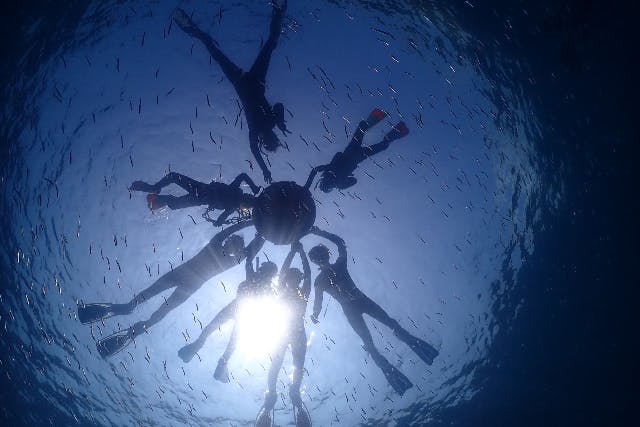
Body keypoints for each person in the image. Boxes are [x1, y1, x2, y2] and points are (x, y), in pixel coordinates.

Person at [81, 220, 261, 358]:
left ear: (235, 248)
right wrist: (254, 224)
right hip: (186, 281)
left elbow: (248, 249)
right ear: (232, 245)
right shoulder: (222, 253)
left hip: (185, 281)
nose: (232, 246)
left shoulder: (226, 257)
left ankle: (132, 330)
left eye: (235, 246)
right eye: (233, 243)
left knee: (160, 312)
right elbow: (234, 237)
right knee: (148, 300)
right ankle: (128, 312)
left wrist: (258, 229)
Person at [307, 226, 438, 396]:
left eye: (319, 257)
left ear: (319, 259)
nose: (321, 259)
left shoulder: (322, 278)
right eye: (319, 257)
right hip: (359, 303)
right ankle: (403, 351)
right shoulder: (332, 271)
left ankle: (390, 365)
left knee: (376, 335)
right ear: (323, 257)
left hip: (354, 306)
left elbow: (318, 301)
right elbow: (340, 243)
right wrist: (320, 233)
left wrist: (315, 314)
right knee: (381, 331)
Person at [173, 1, 290, 183]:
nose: (270, 137)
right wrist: (265, 169)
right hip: (245, 82)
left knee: (270, 43)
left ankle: (280, 9)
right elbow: (256, 151)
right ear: (266, 141)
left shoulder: (267, 125)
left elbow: (278, 108)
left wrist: (280, 122)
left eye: (271, 139)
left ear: (270, 139)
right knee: (218, 53)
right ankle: (193, 30)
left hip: (250, 82)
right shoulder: (258, 131)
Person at [177, 235, 277, 381]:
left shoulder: (254, 276)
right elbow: (269, 304)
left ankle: (198, 345)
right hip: (248, 313)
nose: (260, 268)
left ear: (266, 271)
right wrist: (260, 239)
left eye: (262, 268)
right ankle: (223, 360)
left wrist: (259, 238)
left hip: (238, 307)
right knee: (233, 340)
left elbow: (248, 259)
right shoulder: (268, 286)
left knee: (212, 327)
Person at [255, 242, 312, 427]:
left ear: (299, 279)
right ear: (286, 279)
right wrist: (294, 252)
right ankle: (270, 398)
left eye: (296, 278)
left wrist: (301, 253)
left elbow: (308, 274)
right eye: (290, 278)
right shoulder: (281, 289)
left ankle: (295, 396)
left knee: (298, 365)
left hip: (297, 334)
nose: (292, 280)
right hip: (281, 332)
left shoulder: (304, 292)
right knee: (276, 365)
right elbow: (285, 269)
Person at [305, 109, 409, 192]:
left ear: (329, 187)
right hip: (351, 150)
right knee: (360, 133)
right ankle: (374, 119)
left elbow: (354, 181)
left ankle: (396, 132)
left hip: (359, 156)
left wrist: (342, 184)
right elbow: (318, 168)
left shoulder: (339, 182)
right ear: (323, 181)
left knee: (381, 146)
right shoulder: (328, 170)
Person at [129, 171, 260, 226]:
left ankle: (154, 189)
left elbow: (243, 175)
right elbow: (221, 219)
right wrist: (218, 223)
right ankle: (157, 199)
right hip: (199, 198)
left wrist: (254, 188)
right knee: (175, 204)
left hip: (200, 189)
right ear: (244, 206)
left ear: (245, 196)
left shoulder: (234, 190)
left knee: (173, 176)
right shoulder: (233, 206)